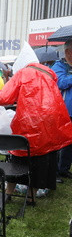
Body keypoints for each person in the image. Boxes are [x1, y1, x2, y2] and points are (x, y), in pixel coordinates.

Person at [0, 62, 72, 202]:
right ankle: (31, 197)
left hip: (28, 121)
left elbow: (5, 97)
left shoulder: (23, 74)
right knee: (41, 157)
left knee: (20, 153)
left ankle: (8, 193)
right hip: (49, 122)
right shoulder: (50, 76)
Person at [52, 39, 72, 178]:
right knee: (62, 142)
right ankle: (57, 171)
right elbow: (60, 82)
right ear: (67, 52)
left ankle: (64, 169)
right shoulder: (59, 65)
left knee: (70, 144)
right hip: (64, 110)